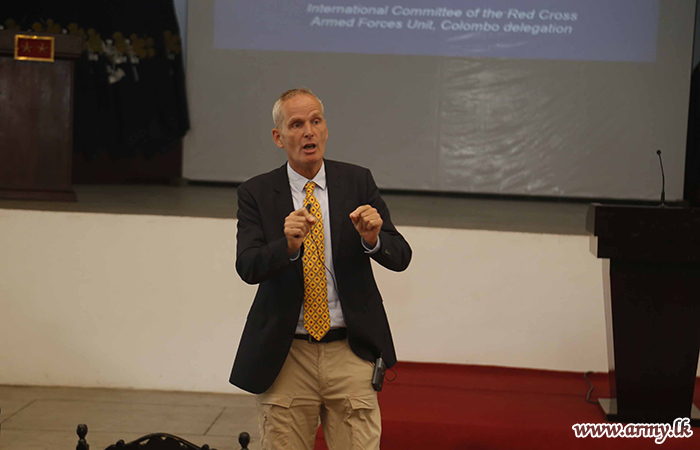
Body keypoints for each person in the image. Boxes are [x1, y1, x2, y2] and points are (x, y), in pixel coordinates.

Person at [230, 88, 412, 450]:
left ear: (326, 129)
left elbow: (401, 256)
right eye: (297, 124)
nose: (308, 132)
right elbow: (247, 266)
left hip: (350, 350)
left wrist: (373, 239)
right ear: (278, 137)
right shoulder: (256, 192)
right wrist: (286, 246)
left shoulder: (357, 181)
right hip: (287, 355)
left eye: (316, 121)